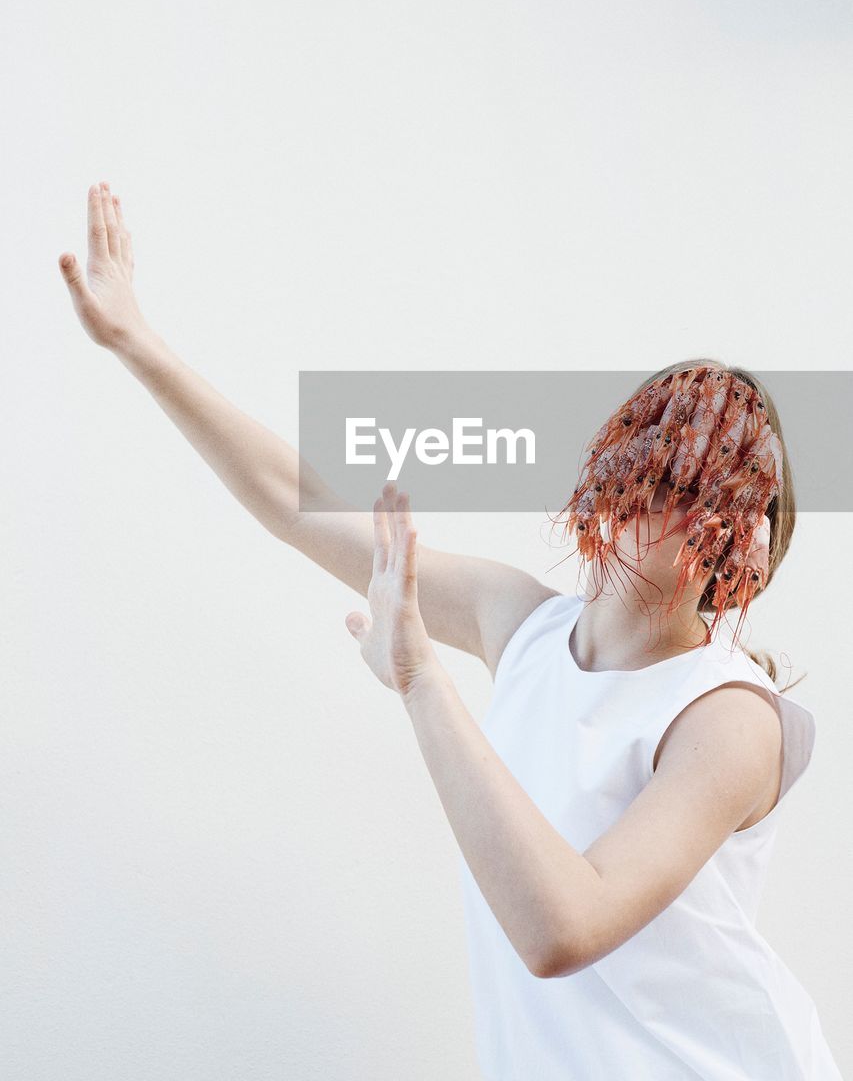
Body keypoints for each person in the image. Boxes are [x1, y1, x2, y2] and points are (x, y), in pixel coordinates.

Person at [60, 183, 842, 1079]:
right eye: (642, 462)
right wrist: (137, 343)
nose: (644, 504)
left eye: (689, 492)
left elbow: (563, 926)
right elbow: (293, 504)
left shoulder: (729, 718)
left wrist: (420, 680)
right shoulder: (523, 624)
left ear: (735, 543)